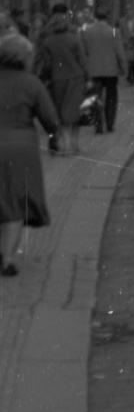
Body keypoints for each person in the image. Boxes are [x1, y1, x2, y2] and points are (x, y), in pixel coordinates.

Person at [0, 32, 60, 276]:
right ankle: (8, 259)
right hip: (20, 148)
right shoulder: (31, 83)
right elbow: (51, 120)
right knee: (15, 201)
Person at [33, 5, 88, 154]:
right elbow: (82, 60)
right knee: (75, 110)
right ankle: (75, 144)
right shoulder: (75, 38)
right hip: (76, 78)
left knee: (61, 112)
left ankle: (64, 144)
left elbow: (47, 63)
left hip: (57, 78)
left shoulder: (47, 41)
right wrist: (88, 77)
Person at [79, 11, 126, 133]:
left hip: (93, 69)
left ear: (95, 18)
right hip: (111, 69)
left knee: (94, 97)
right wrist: (124, 68)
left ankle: (98, 124)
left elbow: (83, 53)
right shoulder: (114, 31)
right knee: (111, 96)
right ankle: (110, 123)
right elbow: (120, 52)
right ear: (107, 18)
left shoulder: (87, 32)